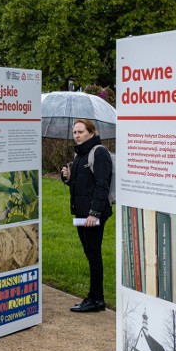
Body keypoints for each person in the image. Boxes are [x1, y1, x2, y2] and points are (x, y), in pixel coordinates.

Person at [60, 118, 112, 313]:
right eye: (75, 132)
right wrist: (67, 177)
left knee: (94, 254)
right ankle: (95, 296)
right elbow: (81, 185)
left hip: (92, 215)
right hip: (82, 213)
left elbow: (102, 185)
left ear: (91, 132)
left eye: (80, 132)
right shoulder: (80, 154)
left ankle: (96, 299)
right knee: (90, 253)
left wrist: (94, 213)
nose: (77, 135)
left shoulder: (99, 153)